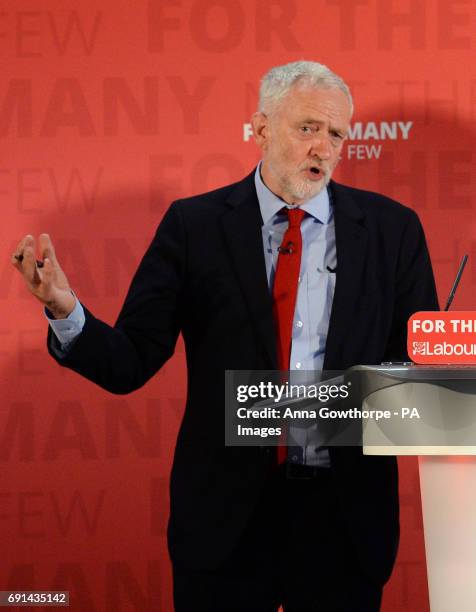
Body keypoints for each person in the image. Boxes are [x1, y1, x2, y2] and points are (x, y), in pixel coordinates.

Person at [12, 61, 438, 611]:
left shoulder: (392, 229)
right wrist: (65, 310)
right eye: (307, 128)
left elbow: (418, 382)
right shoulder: (194, 226)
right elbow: (130, 360)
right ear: (261, 130)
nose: (324, 148)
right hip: (224, 522)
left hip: (344, 521)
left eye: (336, 134)